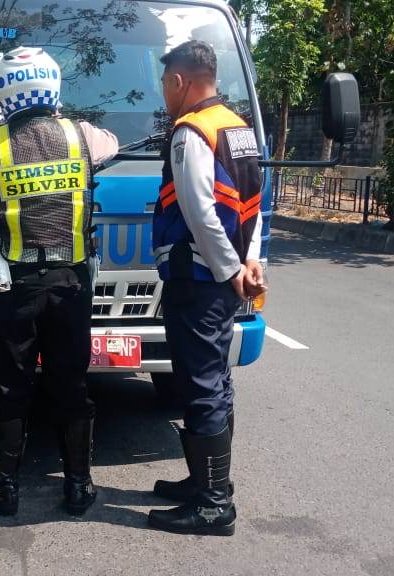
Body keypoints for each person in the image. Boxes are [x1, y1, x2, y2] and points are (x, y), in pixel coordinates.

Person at [0, 46, 119, 517]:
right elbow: (110, 143)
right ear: (55, 86)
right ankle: (79, 487)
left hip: (17, 286)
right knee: (71, 383)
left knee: (11, 385)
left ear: (3, 93)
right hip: (71, 284)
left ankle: (3, 488)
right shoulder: (83, 136)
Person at [148, 40, 266, 536]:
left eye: (165, 84)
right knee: (215, 379)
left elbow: (198, 211)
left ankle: (214, 503)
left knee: (199, 386)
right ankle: (207, 482)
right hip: (226, 274)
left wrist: (225, 269)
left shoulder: (190, 132)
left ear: (179, 81)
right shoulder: (237, 128)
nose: (165, 94)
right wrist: (249, 260)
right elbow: (254, 202)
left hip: (199, 280)